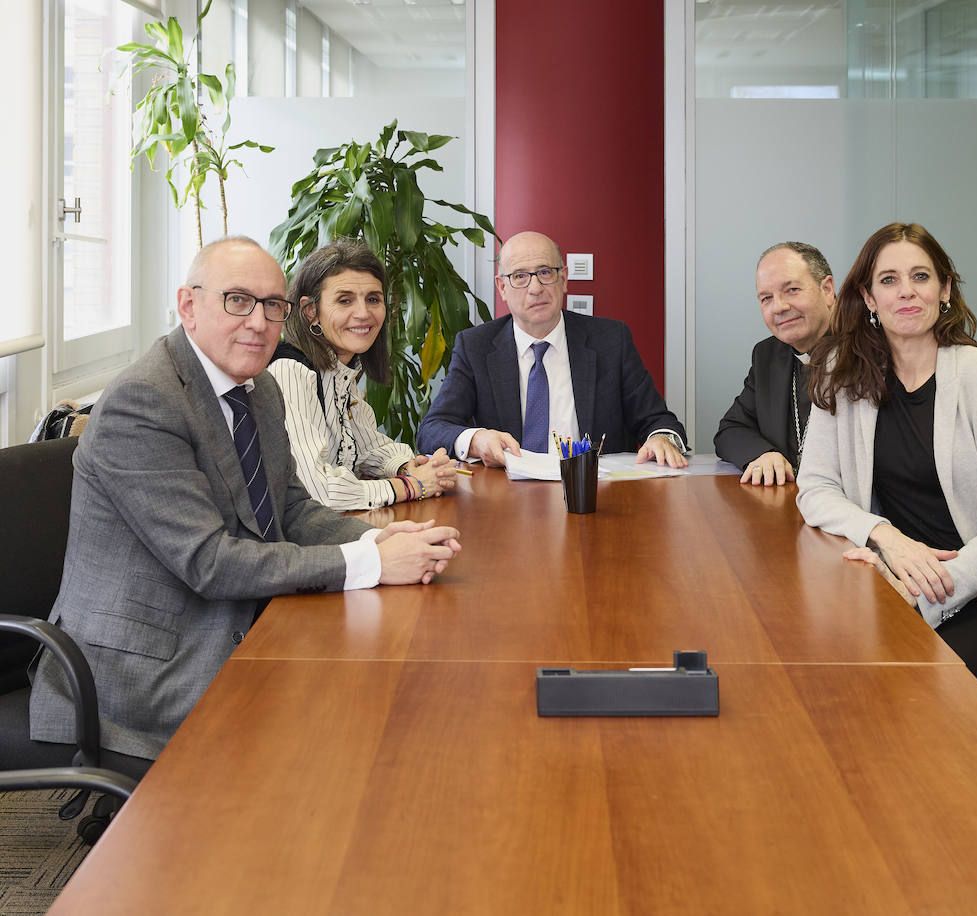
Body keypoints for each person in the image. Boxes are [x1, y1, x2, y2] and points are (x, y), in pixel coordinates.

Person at [28, 237, 461, 768]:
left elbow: (294, 511)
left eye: (271, 305)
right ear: (188, 305)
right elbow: (209, 562)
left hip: (233, 616)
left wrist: (379, 537)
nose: (258, 322)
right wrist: (371, 562)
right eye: (237, 300)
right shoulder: (144, 402)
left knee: (392, 690)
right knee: (340, 735)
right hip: (146, 667)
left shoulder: (257, 389)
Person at [796, 222, 977, 692]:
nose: (907, 292)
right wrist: (886, 536)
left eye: (921, 277)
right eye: (889, 280)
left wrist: (921, 590)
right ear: (867, 296)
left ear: (944, 290)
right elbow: (816, 487)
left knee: (905, 690)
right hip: (901, 576)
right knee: (821, 668)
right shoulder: (844, 373)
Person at [417, 230, 689, 468]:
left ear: (564, 279)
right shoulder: (475, 346)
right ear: (502, 287)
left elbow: (658, 420)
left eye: (545, 272)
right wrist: (477, 439)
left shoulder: (610, 340)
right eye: (520, 276)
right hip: (507, 499)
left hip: (593, 495)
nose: (535, 288)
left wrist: (661, 438)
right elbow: (431, 430)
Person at [267, 239, 462, 511]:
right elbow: (317, 491)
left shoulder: (340, 370)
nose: (363, 313)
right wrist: (410, 486)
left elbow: (366, 446)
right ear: (311, 312)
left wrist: (410, 465)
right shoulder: (291, 372)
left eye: (373, 299)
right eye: (344, 300)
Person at [715, 241, 835, 486]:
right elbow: (730, 430)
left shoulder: (869, 350)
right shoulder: (768, 355)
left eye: (792, 290)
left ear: (828, 290)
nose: (779, 307)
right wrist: (762, 453)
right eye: (766, 298)